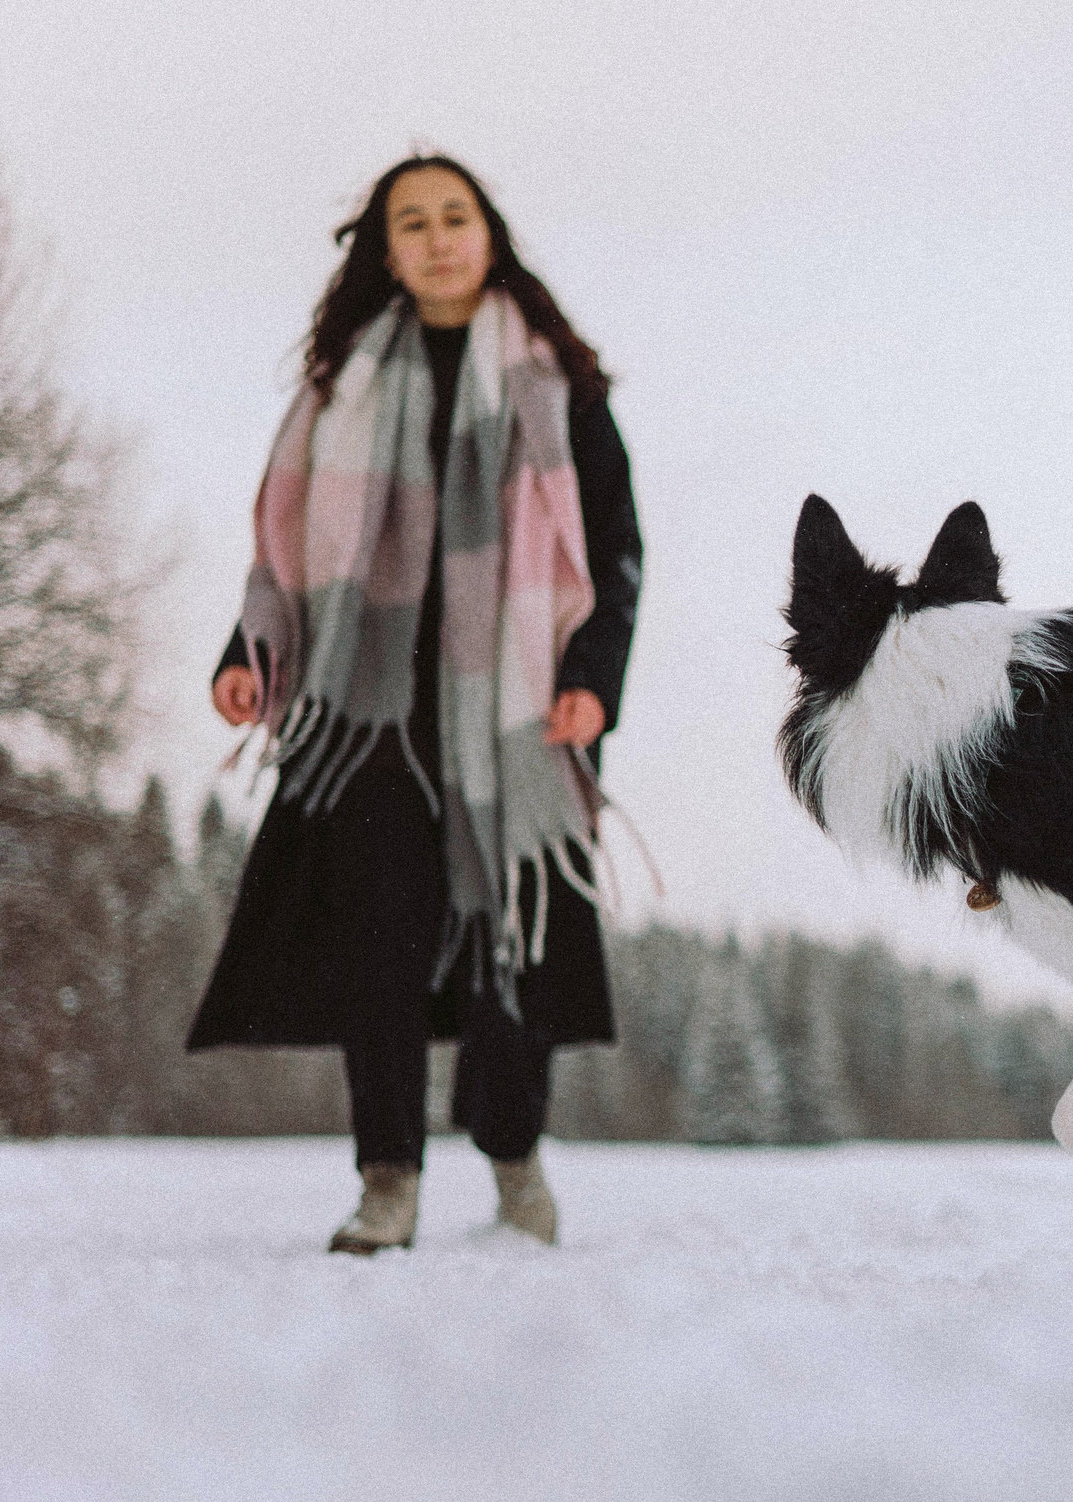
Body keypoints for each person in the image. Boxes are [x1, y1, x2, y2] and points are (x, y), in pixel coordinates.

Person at [187, 155, 642, 1254]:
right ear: (385, 251)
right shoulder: (341, 386)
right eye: (413, 223)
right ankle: (386, 1181)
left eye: (455, 217)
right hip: (369, 715)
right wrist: (251, 651)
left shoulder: (559, 389)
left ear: (489, 234)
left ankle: (515, 1160)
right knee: (376, 952)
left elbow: (616, 554)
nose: (438, 239)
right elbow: (284, 554)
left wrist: (592, 682)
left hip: (519, 713)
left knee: (512, 946)